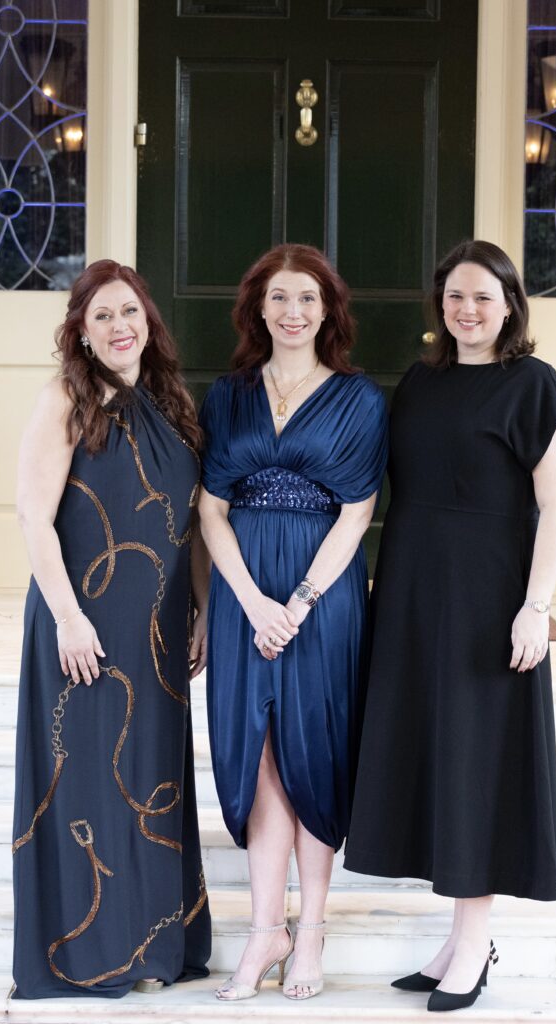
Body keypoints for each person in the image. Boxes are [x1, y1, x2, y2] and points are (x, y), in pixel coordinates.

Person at [344, 240, 556, 1013]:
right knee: (436, 758)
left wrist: (536, 607)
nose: (467, 310)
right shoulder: (421, 382)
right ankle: (455, 939)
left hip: (488, 603)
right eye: (453, 297)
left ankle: (475, 944)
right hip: (415, 596)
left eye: (483, 296)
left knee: (476, 763)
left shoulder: (535, 388)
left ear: (510, 304)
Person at [12, 259, 211, 998]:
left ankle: (154, 947)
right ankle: (91, 954)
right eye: (102, 316)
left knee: (146, 782)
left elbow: (189, 524)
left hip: (155, 633)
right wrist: (67, 618)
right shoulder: (67, 396)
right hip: (84, 627)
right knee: (89, 786)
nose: (120, 326)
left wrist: (203, 610)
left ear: (147, 321)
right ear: (82, 333)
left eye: (129, 311)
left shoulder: (167, 401)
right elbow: (34, 516)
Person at [198, 244, 387, 1002]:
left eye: (307, 297)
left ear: (329, 310)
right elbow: (210, 508)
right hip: (246, 594)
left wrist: (300, 603)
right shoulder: (227, 395)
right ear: (257, 309)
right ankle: (263, 929)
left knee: (316, 752)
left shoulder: (359, 398)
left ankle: (312, 932)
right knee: (259, 754)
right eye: (278, 297)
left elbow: (358, 512)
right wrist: (247, 602)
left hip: (323, 597)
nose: (293, 311)